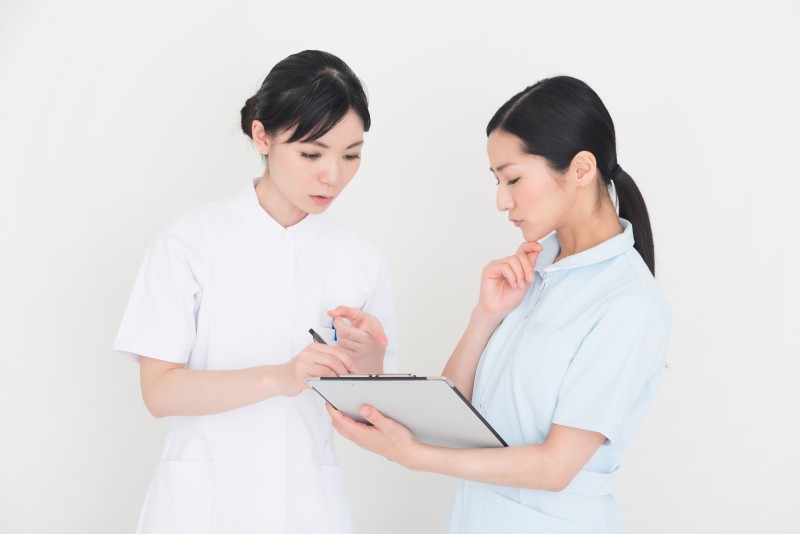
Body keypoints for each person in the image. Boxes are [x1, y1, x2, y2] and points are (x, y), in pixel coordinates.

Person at [329, 76, 670, 533]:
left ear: (581, 169)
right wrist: (485, 316)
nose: (501, 201)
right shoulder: (533, 272)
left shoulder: (627, 303)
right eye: (497, 181)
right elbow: (449, 415)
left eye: (513, 179)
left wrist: (418, 457)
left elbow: (556, 467)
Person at [114, 50, 397, 534]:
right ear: (263, 136)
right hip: (201, 509)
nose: (333, 175)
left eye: (351, 155)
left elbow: (372, 416)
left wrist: (371, 363)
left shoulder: (361, 260)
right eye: (311, 154)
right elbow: (159, 392)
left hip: (308, 506)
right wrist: (280, 378)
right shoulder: (190, 242)